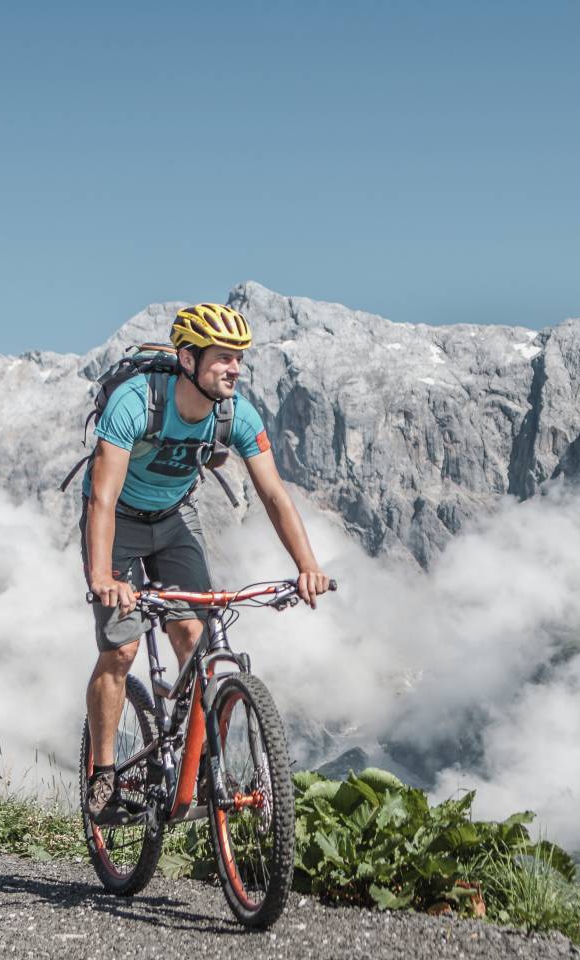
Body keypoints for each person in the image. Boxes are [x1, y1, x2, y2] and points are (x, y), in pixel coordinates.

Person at [82, 303, 330, 821]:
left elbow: (275, 497)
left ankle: (188, 751)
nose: (234, 369)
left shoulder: (235, 414)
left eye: (239, 359)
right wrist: (103, 577)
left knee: (195, 636)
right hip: (119, 519)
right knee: (121, 649)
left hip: (173, 517)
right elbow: (101, 498)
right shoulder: (134, 402)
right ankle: (102, 775)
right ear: (188, 360)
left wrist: (308, 565)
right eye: (222, 358)